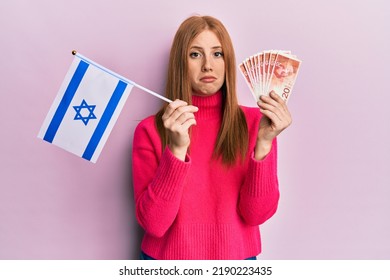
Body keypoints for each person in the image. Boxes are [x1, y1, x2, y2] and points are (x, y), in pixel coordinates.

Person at [132, 15, 292, 260]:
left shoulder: (257, 125)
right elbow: (154, 224)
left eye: (217, 54)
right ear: (180, 63)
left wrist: (264, 143)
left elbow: (256, 215)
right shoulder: (151, 129)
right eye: (195, 54)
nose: (208, 65)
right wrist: (175, 150)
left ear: (228, 61)